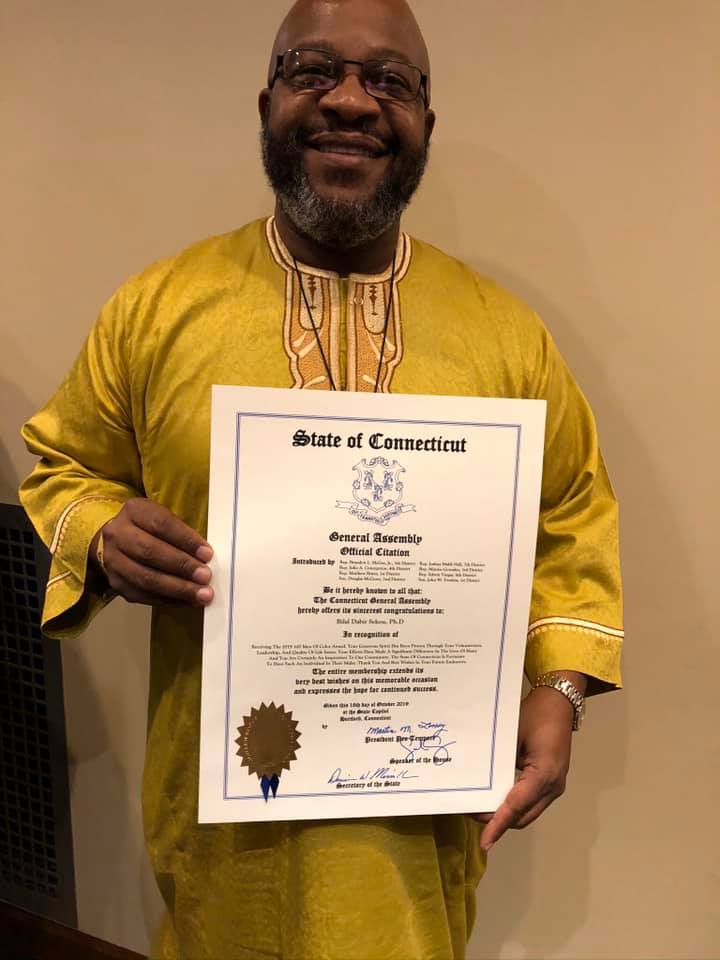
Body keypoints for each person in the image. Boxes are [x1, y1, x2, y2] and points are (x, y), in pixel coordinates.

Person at [19, 1, 623, 957]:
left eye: (391, 81)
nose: (351, 101)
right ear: (266, 104)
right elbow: (63, 466)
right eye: (313, 72)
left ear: (428, 121)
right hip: (222, 834)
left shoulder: (505, 337)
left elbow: (572, 512)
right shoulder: (158, 309)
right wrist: (99, 530)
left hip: (421, 845)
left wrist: (561, 689)